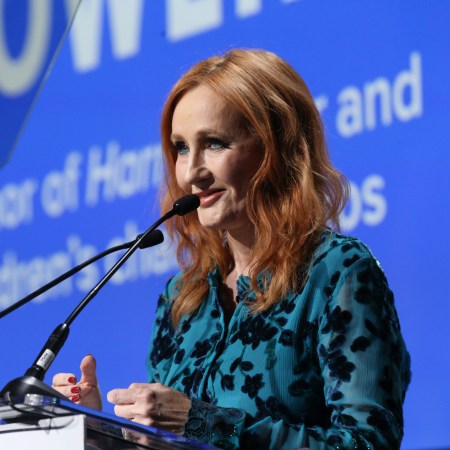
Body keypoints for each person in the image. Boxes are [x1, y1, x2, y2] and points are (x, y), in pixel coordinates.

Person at [52, 48, 411, 449]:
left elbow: (369, 442)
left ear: (277, 148)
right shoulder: (183, 300)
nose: (191, 173)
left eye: (215, 143)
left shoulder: (337, 272)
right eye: (181, 148)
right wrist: (96, 434)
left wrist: (204, 423)